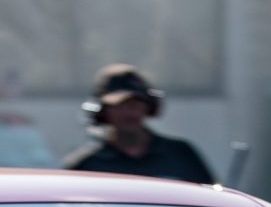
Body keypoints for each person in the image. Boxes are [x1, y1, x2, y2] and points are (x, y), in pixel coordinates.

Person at [63, 64, 214, 184]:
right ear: (102, 112)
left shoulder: (181, 155)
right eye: (119, 106)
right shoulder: (85, 166)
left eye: (134, 105)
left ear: (149, 108)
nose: (129, 113)